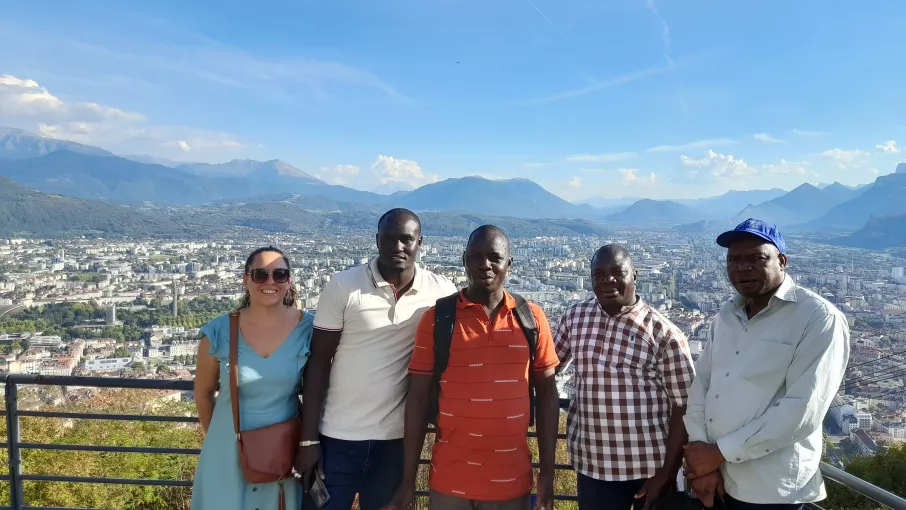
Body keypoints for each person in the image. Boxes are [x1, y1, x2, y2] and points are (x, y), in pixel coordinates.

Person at [384, 224, 561, 510]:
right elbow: (417, 399)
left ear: (509, 263)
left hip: (511, 482)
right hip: (449, 482)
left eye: (495, 257)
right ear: (464, 260)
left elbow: (548, 396)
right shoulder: (437, 319)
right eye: (476, 256)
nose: (485, 264)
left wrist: (547, 474)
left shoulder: (532, 319)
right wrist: (408, 481)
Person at [683, 219, 850, 510]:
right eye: (733, 260)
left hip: (771, 489)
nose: (742, 267)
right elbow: (704, 383)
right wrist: (702, 459)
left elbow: (802, 411)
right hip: (716, 478)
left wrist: (717, 453)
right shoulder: (725, 315)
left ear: (782, 261)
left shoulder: (817, 318)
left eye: (756, 258)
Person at [297, 208, 458, 510]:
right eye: (388, 239)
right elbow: (318, 362)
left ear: (420, 242)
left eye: (406, 239)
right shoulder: (343, 286)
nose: (397, 247)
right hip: (336, 435)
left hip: (396, 441)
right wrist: (308, 440)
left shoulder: (441, 292)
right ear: (377, 240)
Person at [554, 244, 695, 510]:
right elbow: (549, 366)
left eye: (618, 272)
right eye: (599, 274)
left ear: (635, 275)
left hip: (650, 469)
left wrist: (667, 473)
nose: (608, 280)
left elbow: (685, 405)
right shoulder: (575, 317)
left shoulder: (663, 333)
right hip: (593, 465)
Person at [191, 246, 313, 510]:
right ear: (245, 280)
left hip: (281, 455)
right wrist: (220, 441)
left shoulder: (309, 329)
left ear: (289, 281)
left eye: (279, 274)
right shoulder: (218, 332)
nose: (270, 281)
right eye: (260, 274)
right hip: (227, 453)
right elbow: (203, 394)